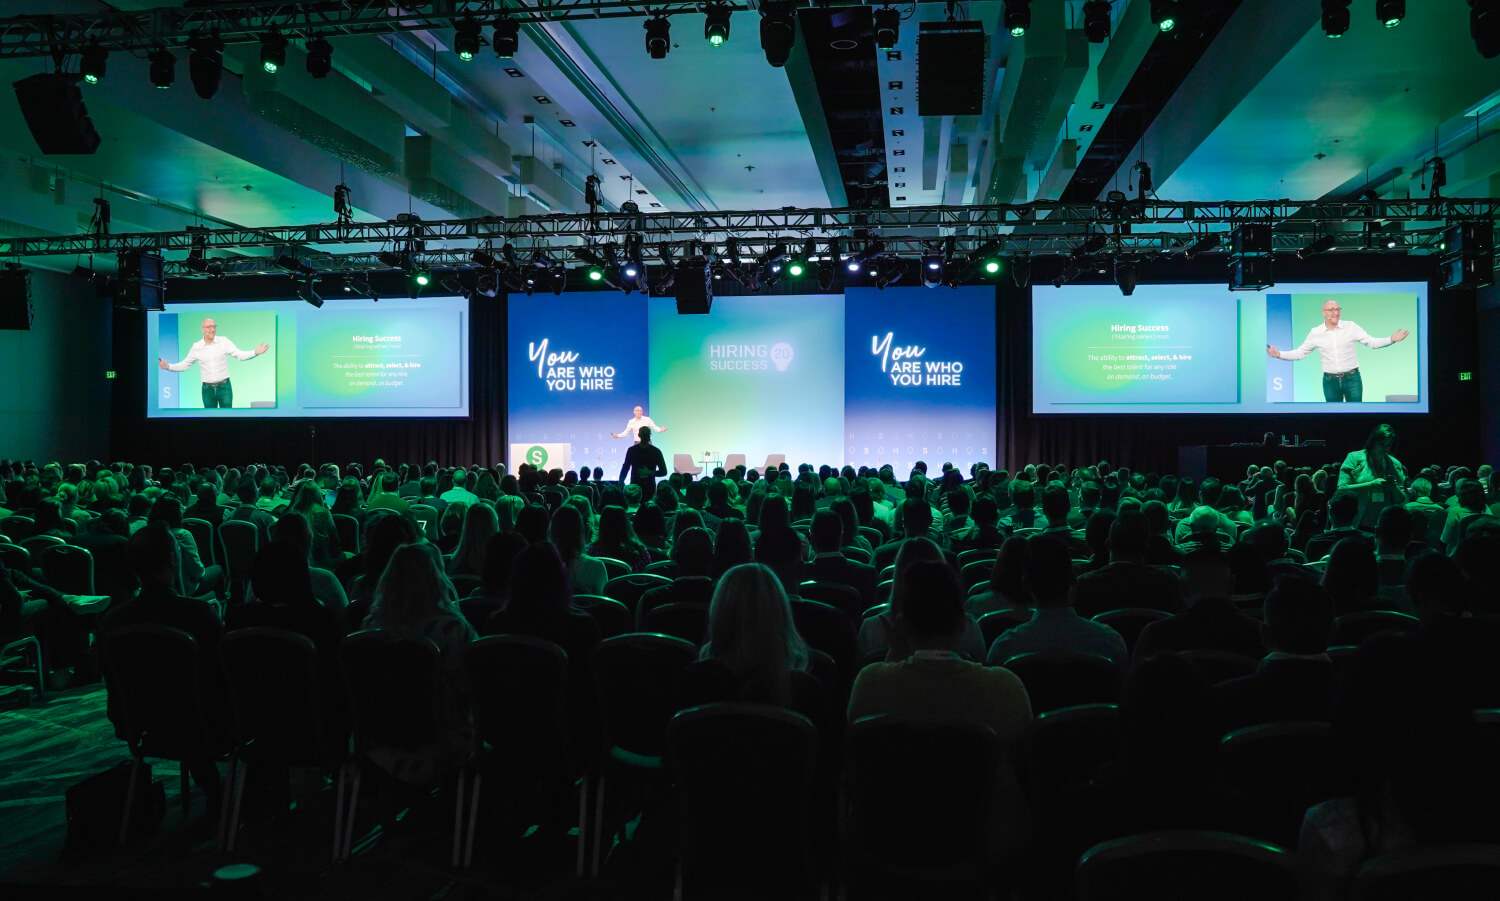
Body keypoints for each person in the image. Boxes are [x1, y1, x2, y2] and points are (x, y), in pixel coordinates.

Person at [1266, 300, 1409, 402]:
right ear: (1323, 313)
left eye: (1338, 309)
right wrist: (1279, 354)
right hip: (1330, 382)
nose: (1335, 312)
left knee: (1357, 416)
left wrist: (1391, 339)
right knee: (1333, 418)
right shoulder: (1316, 332)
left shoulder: (1351, 326)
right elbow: (1300, 353)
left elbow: (1371, 342)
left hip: (1352, 379)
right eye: (1331, 309)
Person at [158, 318, 270, 409]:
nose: (212, 329)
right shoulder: (196, 347)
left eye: (214, 326)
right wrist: (168, 366)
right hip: (207, 390)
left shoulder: (224, 341)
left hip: (224, 388)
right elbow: (184, 365)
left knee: (227, 420)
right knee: (210, 421)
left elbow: (239, 355)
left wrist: (255, 352)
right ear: (202, 329)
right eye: (208, 327)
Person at [1338, 424, 1408, 530]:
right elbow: (1341, 490)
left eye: (1388, 445)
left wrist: (1394, 487)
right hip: (1356, 524)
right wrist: (1371, 485)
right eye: (1381, 444)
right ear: (1372, 442)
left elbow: (1401, 500)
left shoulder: (1395, 464)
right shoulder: (1354, 458)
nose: (1385, 448)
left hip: (1385, 527)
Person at [619, 426, 667, 503]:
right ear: (639, 435)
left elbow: (664, 471)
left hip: (647, 487)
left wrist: (649, 473)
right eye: (644, 434)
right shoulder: (632, 450)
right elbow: (625, 467)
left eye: (647, 434)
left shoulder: (656, 452)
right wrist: (621, 481)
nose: (646, 436)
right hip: (636, 487)